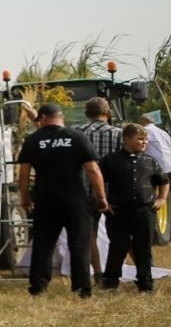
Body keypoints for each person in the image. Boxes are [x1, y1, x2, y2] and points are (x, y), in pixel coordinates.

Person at [17, 103, 108, 297]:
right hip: (75, 200)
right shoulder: (77, 137)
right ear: (61, 117)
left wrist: (25, 198)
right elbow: (93, 170)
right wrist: (101, 197)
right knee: (79, 245)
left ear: (42, 118)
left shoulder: (33, 140)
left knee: (43, 244)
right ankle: (82, 288)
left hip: (46, 200)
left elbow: (23, 173)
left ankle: (38, 287)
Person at [99, 123, 168, 293]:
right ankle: (110, 282)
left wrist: (162, 198)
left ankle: (145, 283)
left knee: (143, 248)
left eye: (146, 139)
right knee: (118, 246)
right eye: (140, 139)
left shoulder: (150, 161)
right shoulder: (110, 160)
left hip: (144, 211)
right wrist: (103, 200)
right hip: (118, 211)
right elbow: (98, 181)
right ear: (126, 139)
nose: (145, 142)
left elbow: (164, 181)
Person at [76, 97, 119, 278]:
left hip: (83, 191)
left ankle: (98, 273)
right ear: (108, 113)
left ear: (86, 113)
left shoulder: (76, 132)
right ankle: (142, 268)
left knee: (89, 234)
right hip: (114, 193)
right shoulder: (119, 134)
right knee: (121, 233)